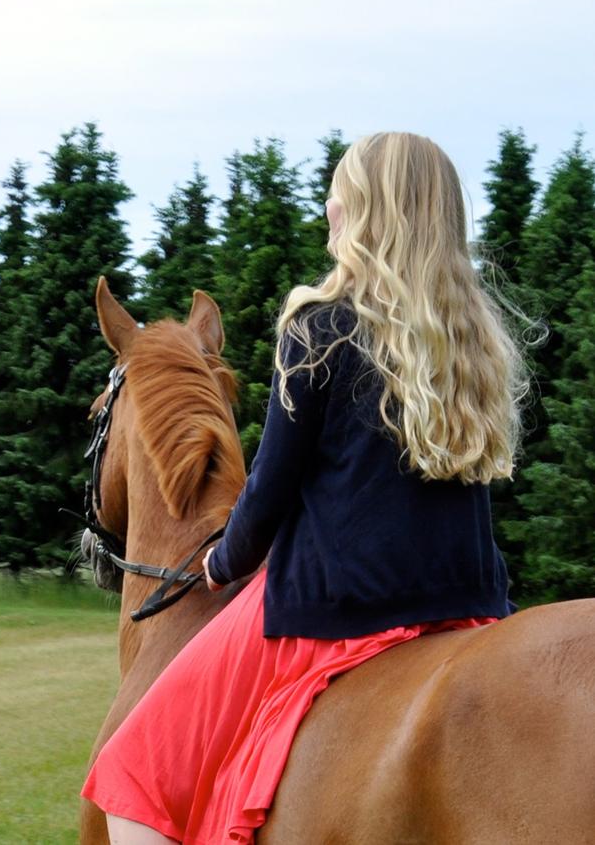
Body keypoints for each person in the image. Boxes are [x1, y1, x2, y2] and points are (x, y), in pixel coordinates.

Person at [80, 131, 532, 845]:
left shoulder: (316, 326)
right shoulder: (473, 339)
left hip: (340, 599)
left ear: (366, 211)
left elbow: (270, 489)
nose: (328, 206)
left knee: (134, 777)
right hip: (469, 600)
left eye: (340, 193)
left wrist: (223, 560)